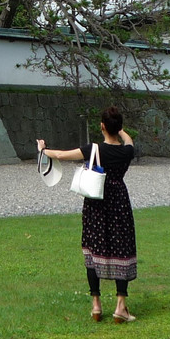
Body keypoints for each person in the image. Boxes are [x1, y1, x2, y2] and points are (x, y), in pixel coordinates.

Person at [37, 106, 138, 323]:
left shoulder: (93, 149)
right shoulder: (127, 152)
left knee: (93, 249)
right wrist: (119, 130)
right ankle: (121, 306)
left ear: (101, 126)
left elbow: (61, 155)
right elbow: (128, 140)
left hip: (96, 204)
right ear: (119, 127)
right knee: (122, 249)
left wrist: (43, 150)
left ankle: (96, 305)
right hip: (119, 202)